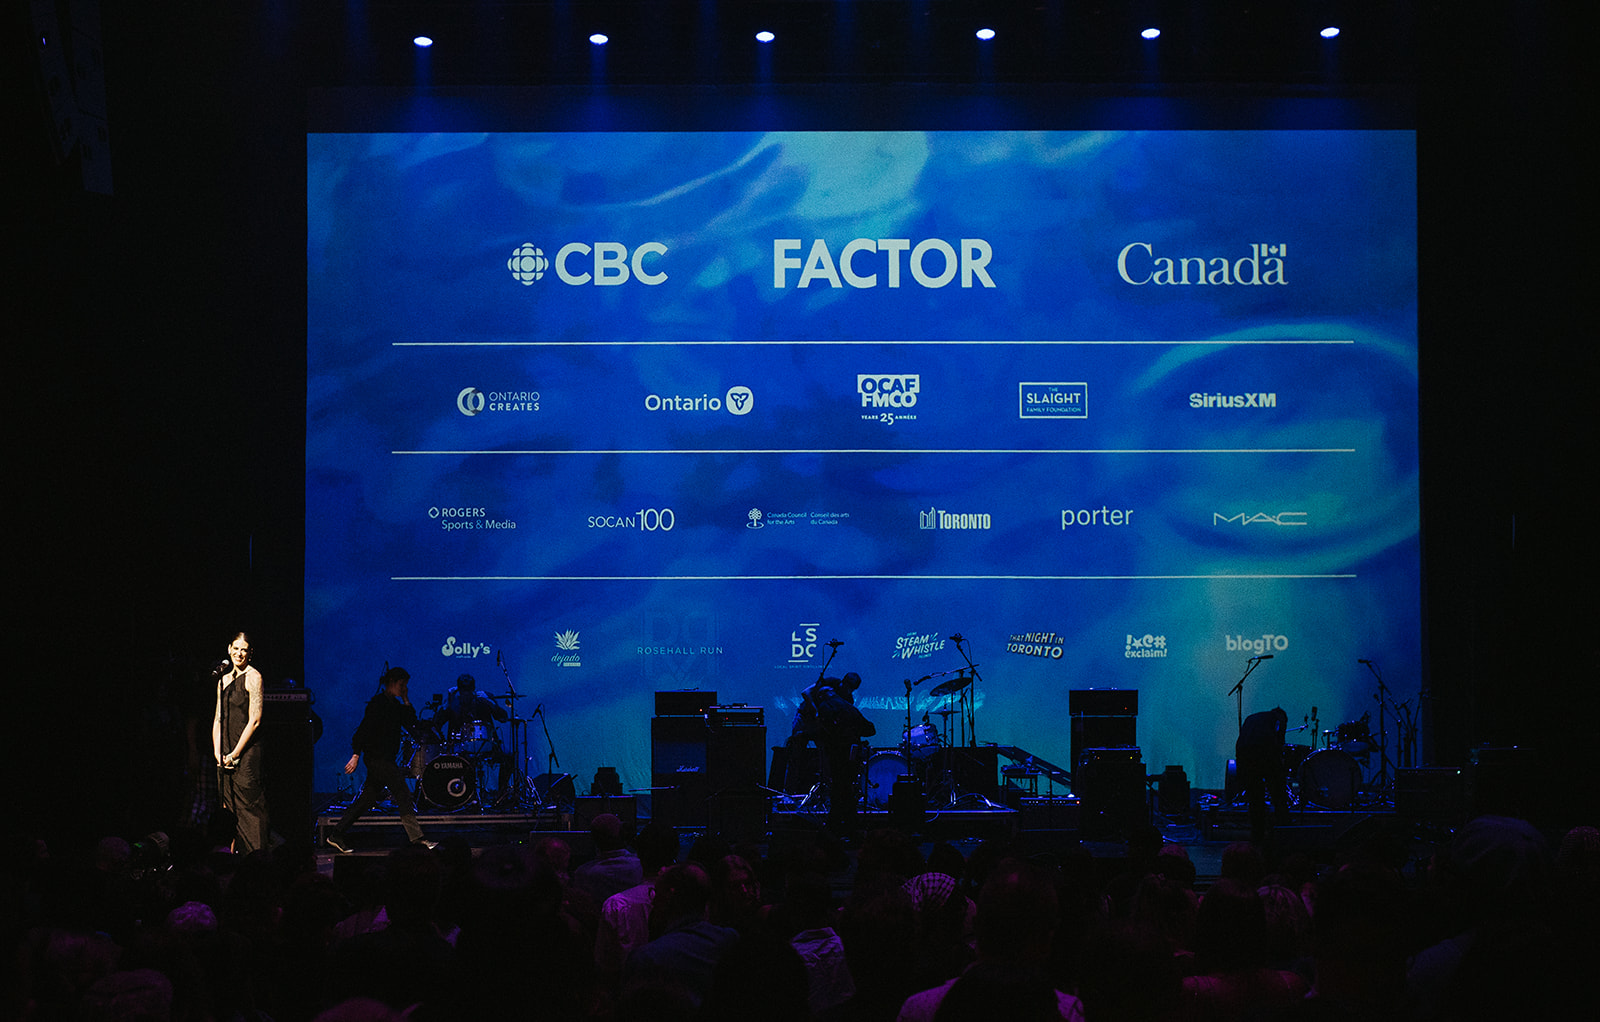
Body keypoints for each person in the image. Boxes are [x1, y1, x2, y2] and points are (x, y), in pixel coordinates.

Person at [326, 666, 436, 852]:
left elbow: (410, 721)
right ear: (391, 682)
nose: (404, 688)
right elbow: (363, 730)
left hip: (385, 759)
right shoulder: (377, 704)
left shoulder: (395, 705)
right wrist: (356, 755)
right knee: (402, 792)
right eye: (402, 685)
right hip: (377, 758)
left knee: (367, 799)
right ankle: (417, 839)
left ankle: (336, 834)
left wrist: (406, 699)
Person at [790, 672, 876, 833]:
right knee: (843, 785)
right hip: (843, 747)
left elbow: (825, 730)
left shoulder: (831, 705)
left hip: (835, 745)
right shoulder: (839, 696)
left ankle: (835, 821)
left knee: (838, 782)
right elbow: (869, 729)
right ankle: (844, 824)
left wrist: (807, 733)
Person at [213, 631, 269, 853]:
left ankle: (257, 858)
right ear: (229, 649)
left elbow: (255, 720)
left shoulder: (254, 677)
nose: (239, 653)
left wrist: (235, 754)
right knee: (227, 809)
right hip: (225, 751)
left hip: (246, 753)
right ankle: (230, 857)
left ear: (250, 653)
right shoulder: (223, 679)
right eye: (235, 648)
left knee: (249, 808)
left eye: (243, 650)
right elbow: (218, 719)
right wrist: (218, 752)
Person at [1236, 707, 1289, 844]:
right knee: (1278, 793)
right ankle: (1283, 828)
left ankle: (1257, 834)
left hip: (1244, 754)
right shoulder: (1278, 719)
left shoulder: (1252, 718)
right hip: (1264, 752)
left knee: (1255, 797)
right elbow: (1279, 742)